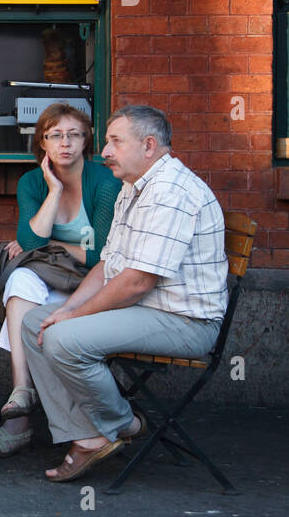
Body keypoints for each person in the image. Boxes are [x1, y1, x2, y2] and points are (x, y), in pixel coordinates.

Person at [21, 105, 228, 482]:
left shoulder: (171, 192)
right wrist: (67, 307)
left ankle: (121, 424)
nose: (105, 152)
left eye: (115, 141)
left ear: (148, 145)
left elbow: (136, 282)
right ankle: (87, 433)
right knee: (36, 321)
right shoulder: (134, 187)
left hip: (185, 320)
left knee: (64, 338)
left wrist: (72, 318)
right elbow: (108, 265)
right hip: (148, 308)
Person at [0, 103, 117, 458]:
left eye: (74, 135)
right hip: (51, 278)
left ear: (87, 141)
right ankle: (22, 392)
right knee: (20, 280)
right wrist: (53, 191)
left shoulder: (104, 182)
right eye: (56, 136)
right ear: (43, 142)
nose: (65, 143)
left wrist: (54, 243)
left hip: (93, 286)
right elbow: (30, 243)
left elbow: (101, 254)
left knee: (29, 317)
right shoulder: (33, 182)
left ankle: (20, 426)